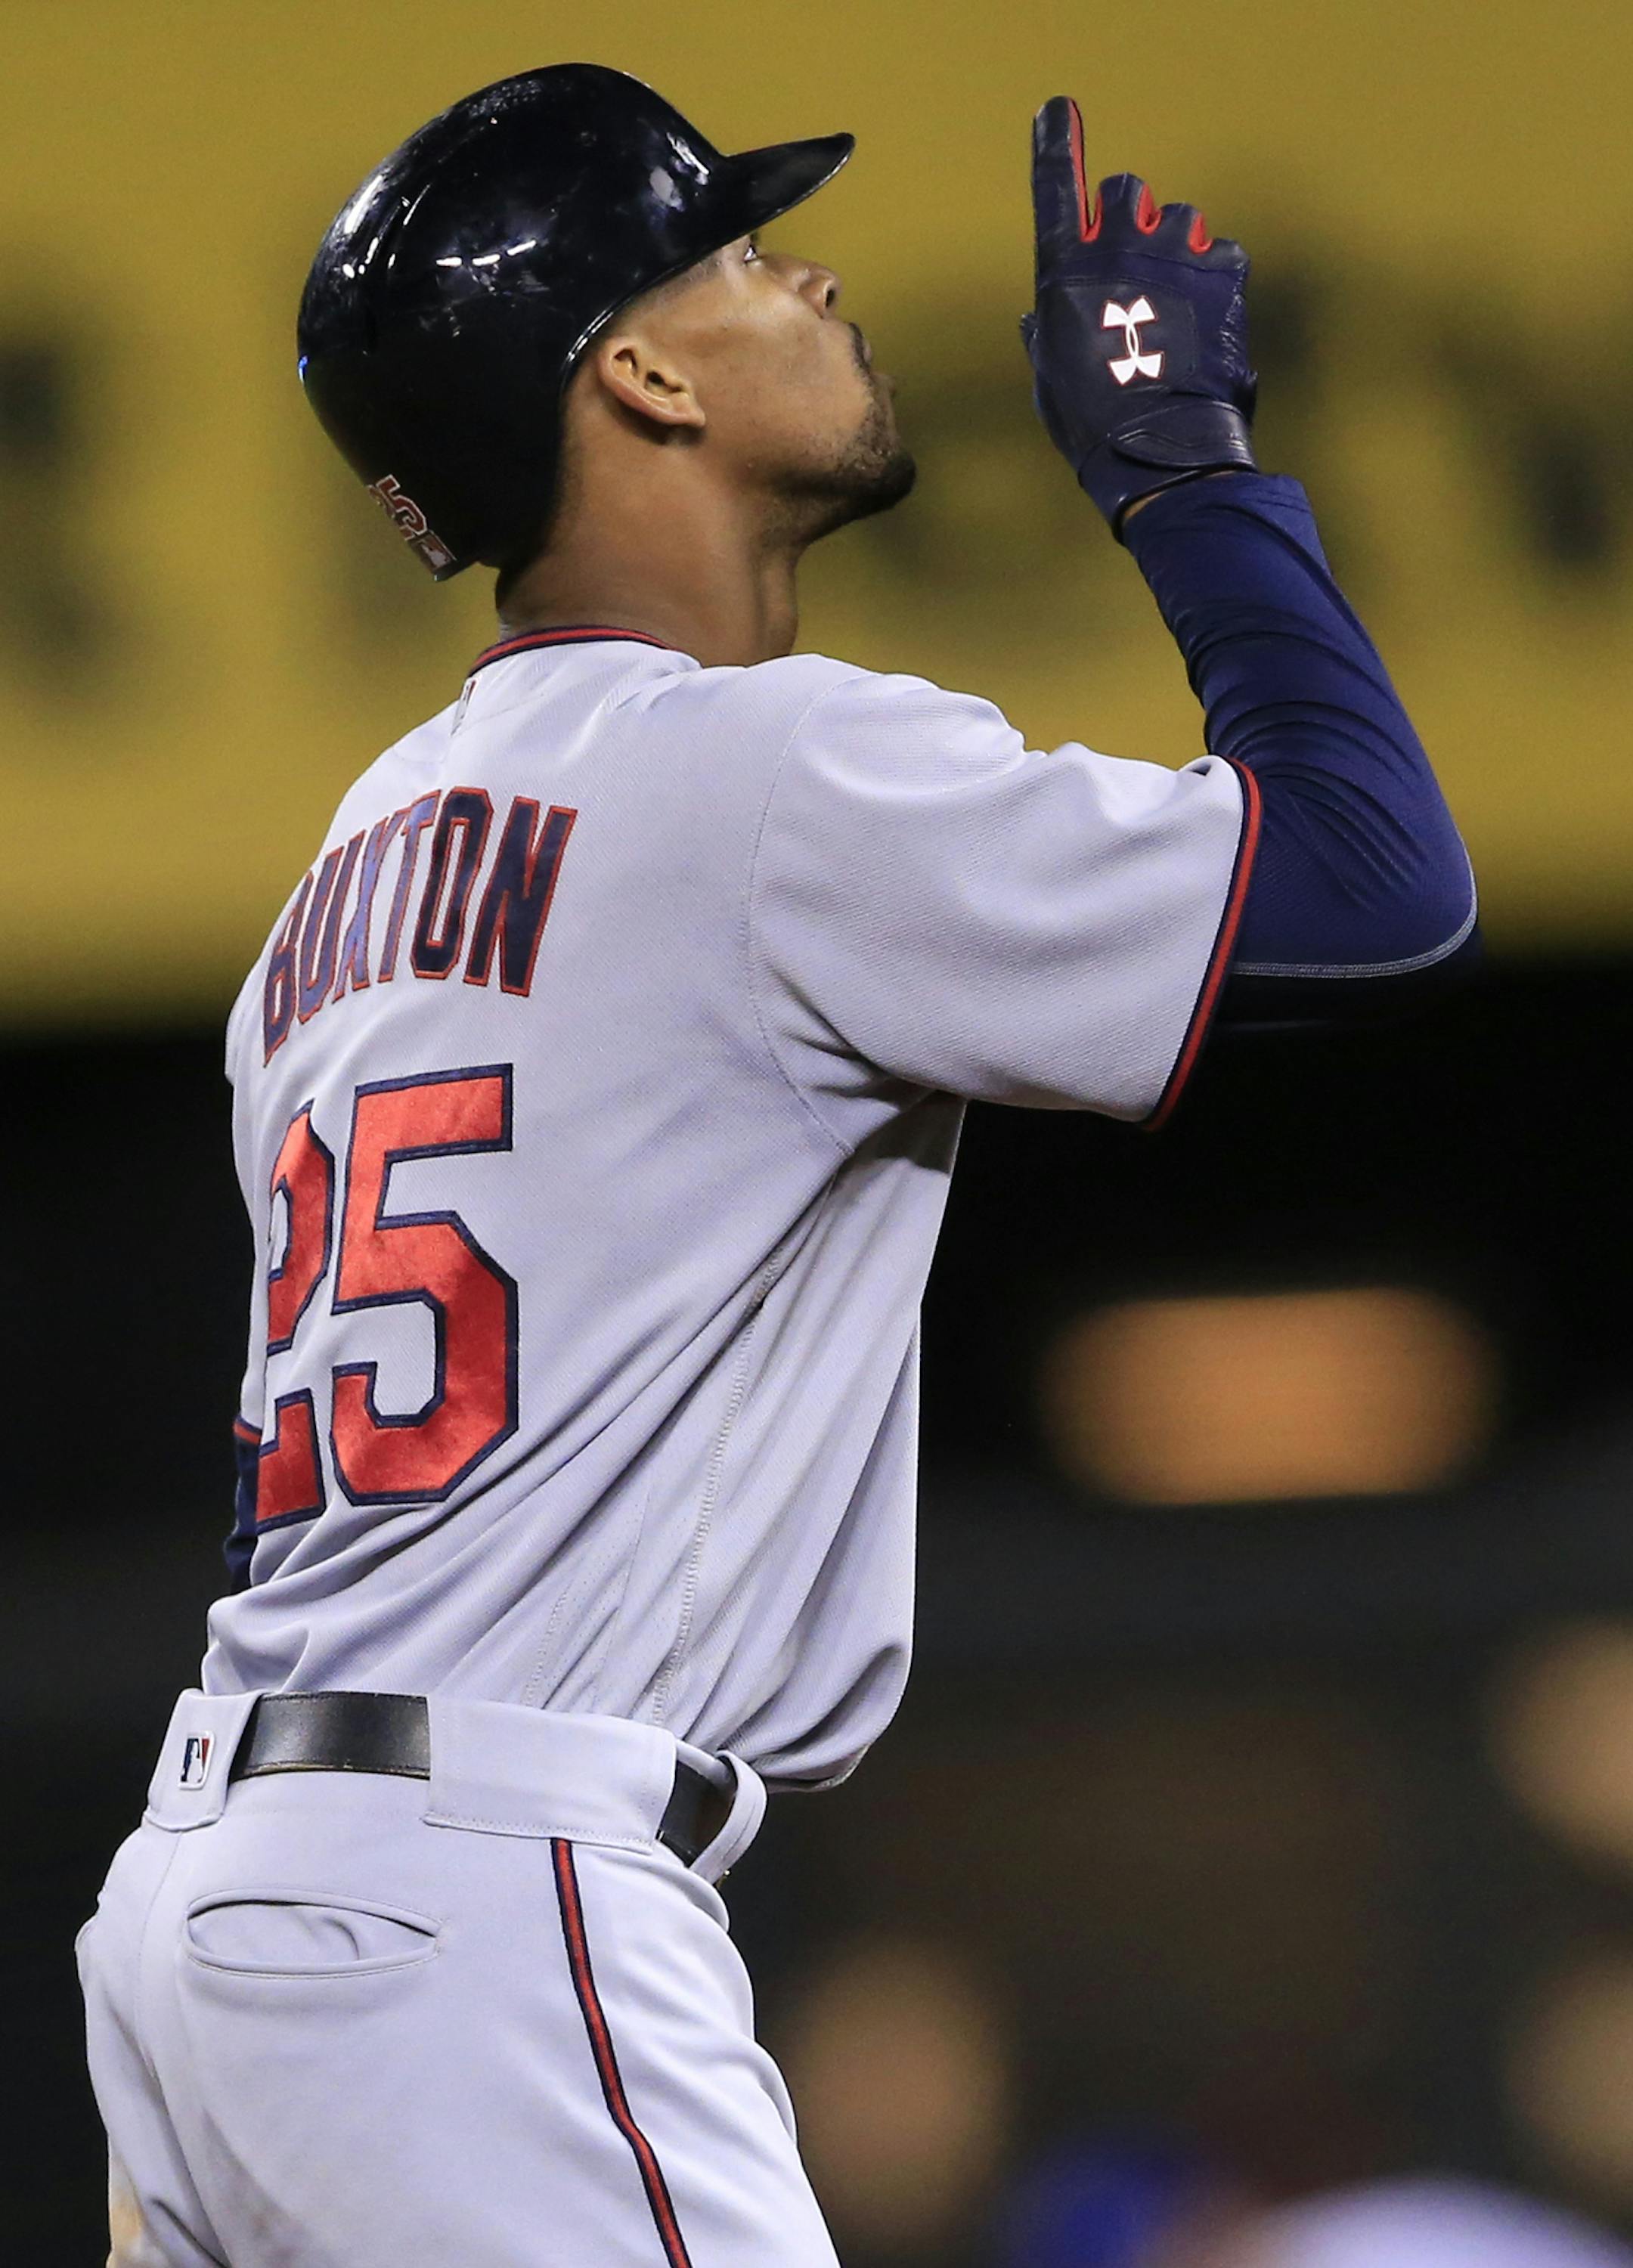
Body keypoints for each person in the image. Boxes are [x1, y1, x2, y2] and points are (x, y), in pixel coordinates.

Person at [76, 62, 1475, 2268]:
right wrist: (1187, 476)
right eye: (731, 254)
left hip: (211, 1897)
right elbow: (1376, 885)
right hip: (482, 1905)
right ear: (634, 371)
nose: (806, 277)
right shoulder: (748, 775)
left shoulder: (341, 880)